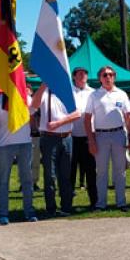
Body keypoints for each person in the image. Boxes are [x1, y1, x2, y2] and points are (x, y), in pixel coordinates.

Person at [84, 66, 130, 211]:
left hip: (119, 134)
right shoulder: (94, 95)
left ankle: (121, 202)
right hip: (100, 136)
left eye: (111, 74)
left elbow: (129, 117)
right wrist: (91, 140)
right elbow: (87, 119)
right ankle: (101, 203)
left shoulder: (122, 94)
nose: (108, 77)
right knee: (101, 171)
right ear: (100, 78)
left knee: (120, 171)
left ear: (114, 77)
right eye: (105, 75)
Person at [32, 83, 80, 216]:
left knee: (66, 175)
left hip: (67, 138)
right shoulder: (44, 93)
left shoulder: (68, 92)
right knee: (50, 175)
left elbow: (77, 114)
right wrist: (42, 86)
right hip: (49, 139)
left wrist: (59, 123)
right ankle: (51, 207)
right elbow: (34, 106)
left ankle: (66, 206)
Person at [0, 90, 36, 225]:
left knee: (27, 179)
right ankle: (2, 214)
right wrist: (0, 139)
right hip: (5, 145)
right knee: (3, 180)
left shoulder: (25, 97)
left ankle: (29, 211)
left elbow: (32, 114)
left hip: (25, 143)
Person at [69, 67, 96, 206]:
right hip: (71, 136)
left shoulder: (93, 93)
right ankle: (67, 203)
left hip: (88, 137)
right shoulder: (68, 91)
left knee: (91, 170)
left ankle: (94, 201)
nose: (82, 76)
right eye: (79, 74)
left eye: (84, 73)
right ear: (74, 77)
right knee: (70, 171)